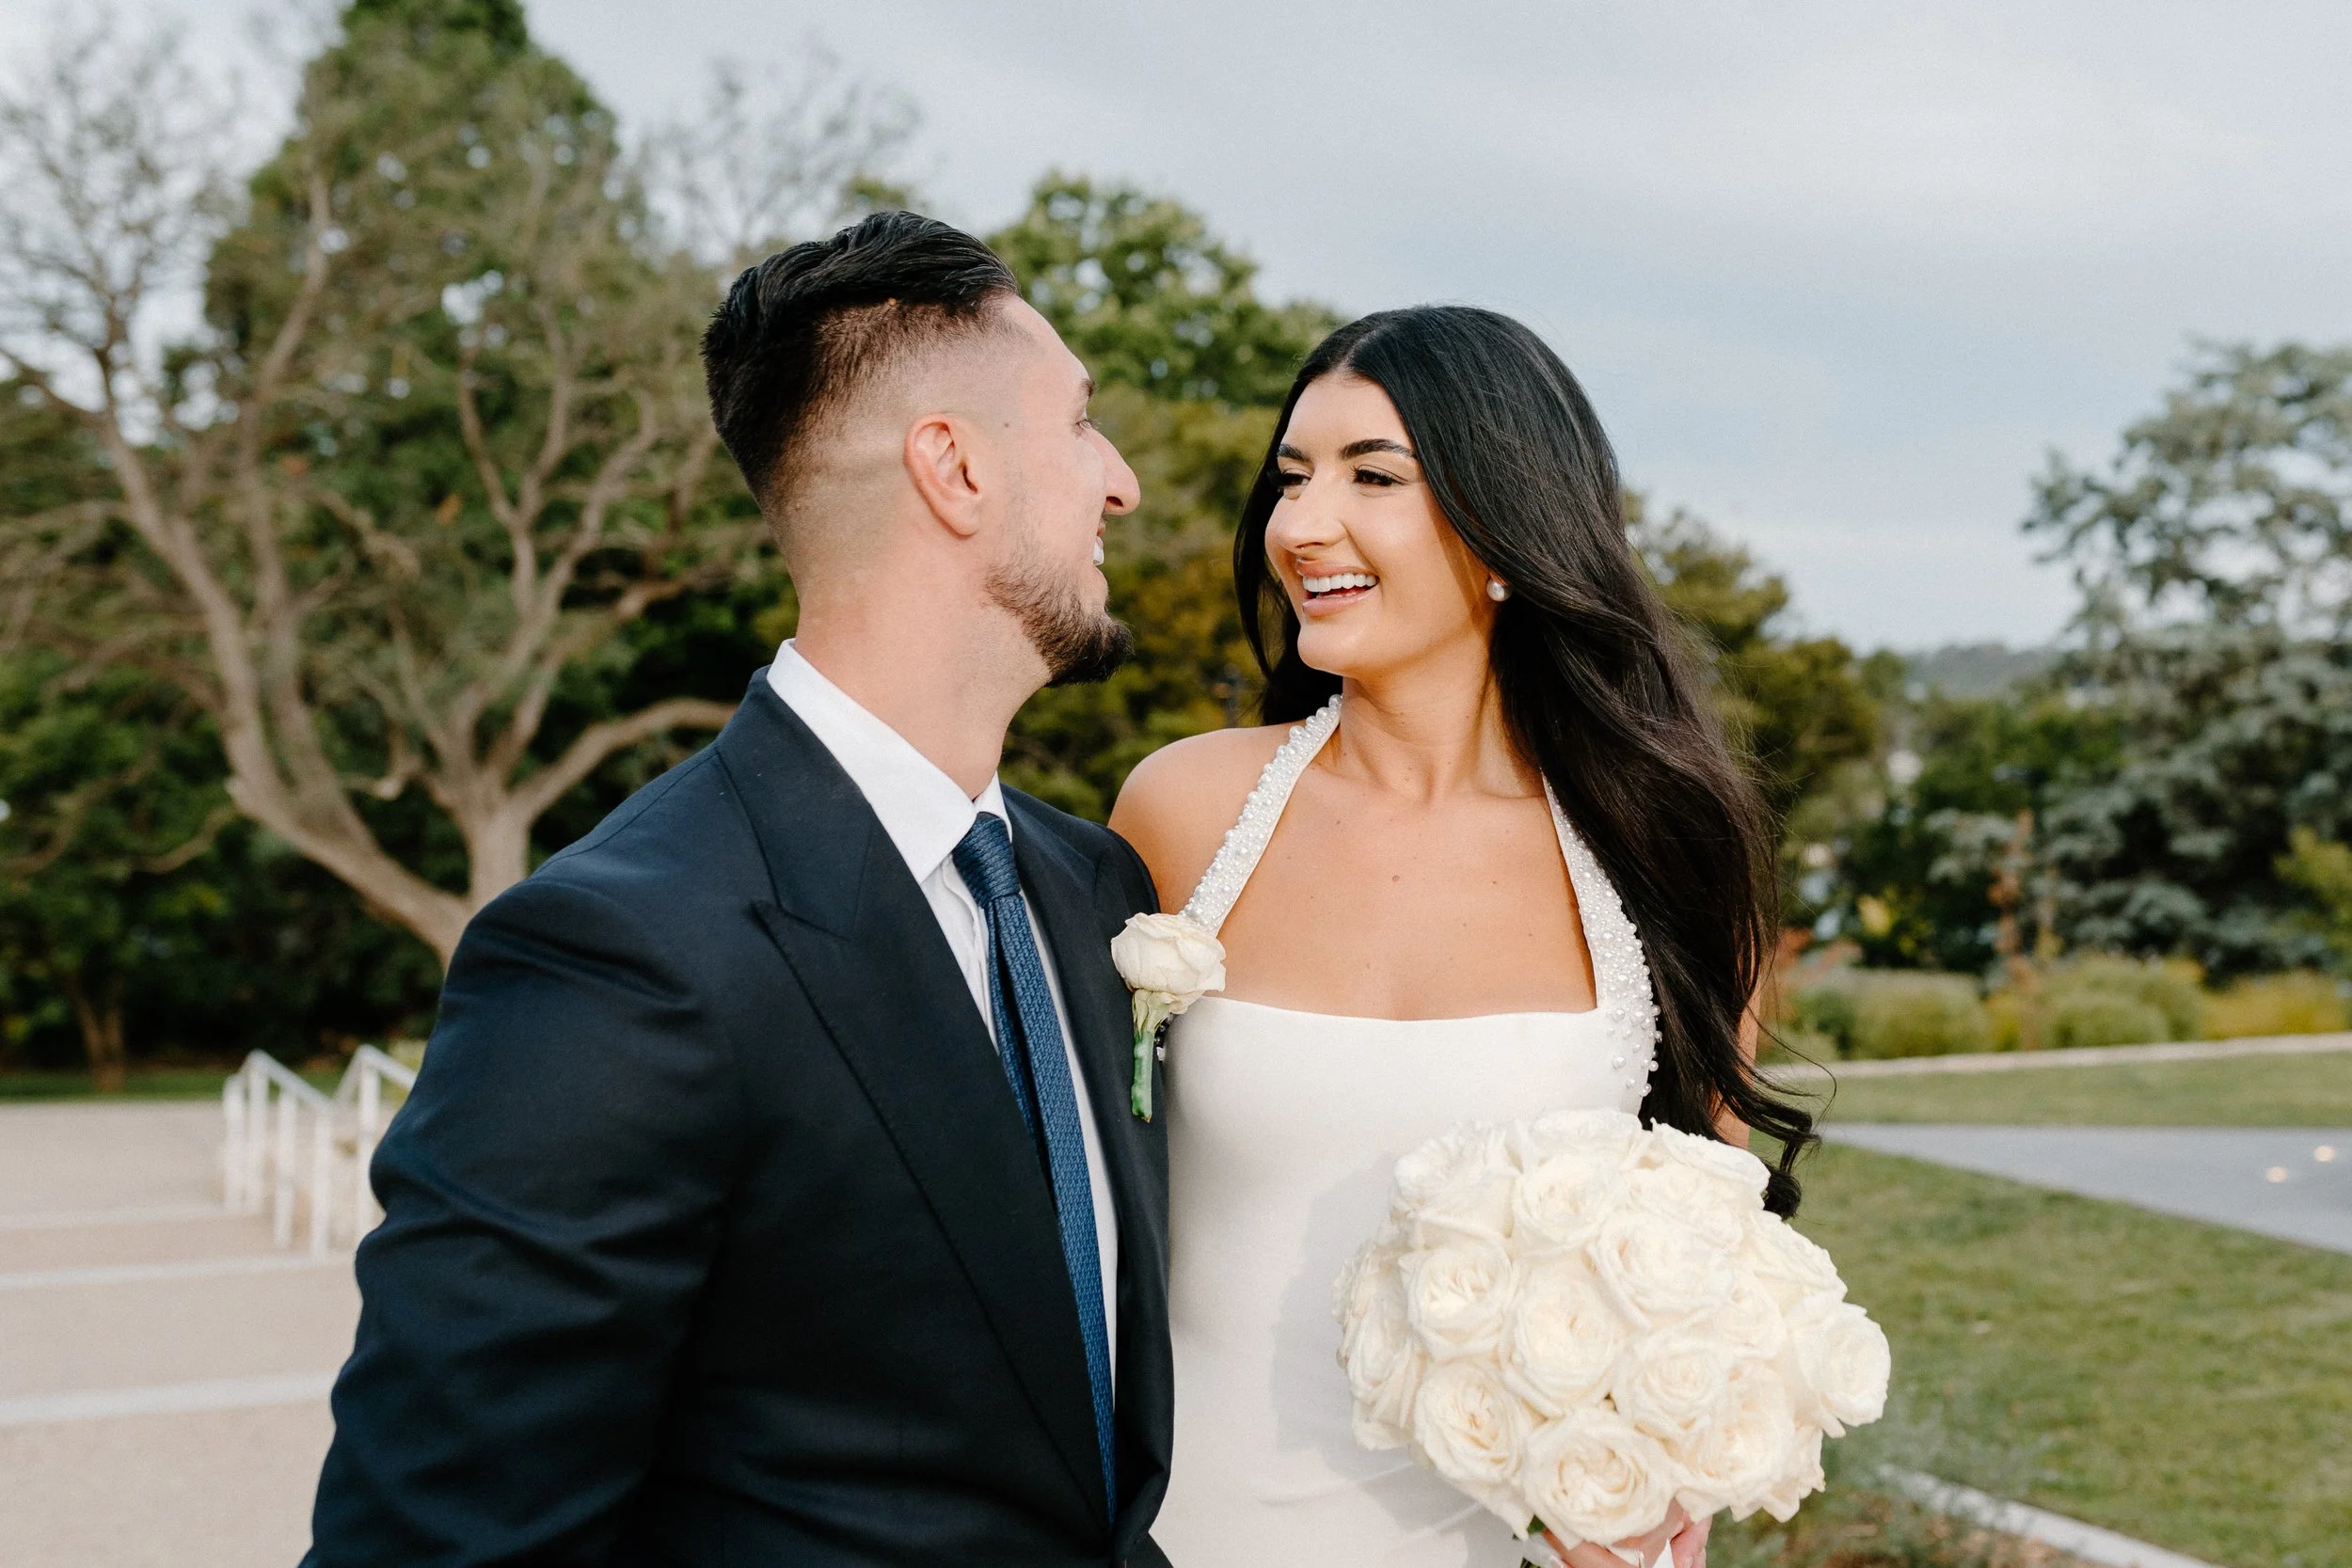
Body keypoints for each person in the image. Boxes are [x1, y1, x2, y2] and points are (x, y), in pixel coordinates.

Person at [306, 213, 1177, 1567]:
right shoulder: (617, 958)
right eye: (1079, 424)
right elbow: (436, 1541)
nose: (1118, 481)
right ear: (953, 468)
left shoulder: (1090, 886)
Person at [1110, 306, 1821, 1568]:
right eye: (1291, 477)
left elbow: (1715, 1270)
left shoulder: (1664, 848)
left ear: (1508, 530)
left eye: (1372, 476)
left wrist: (1661, 1488)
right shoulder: (1185, 809)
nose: (1300, 523)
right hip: (1180, 1527)